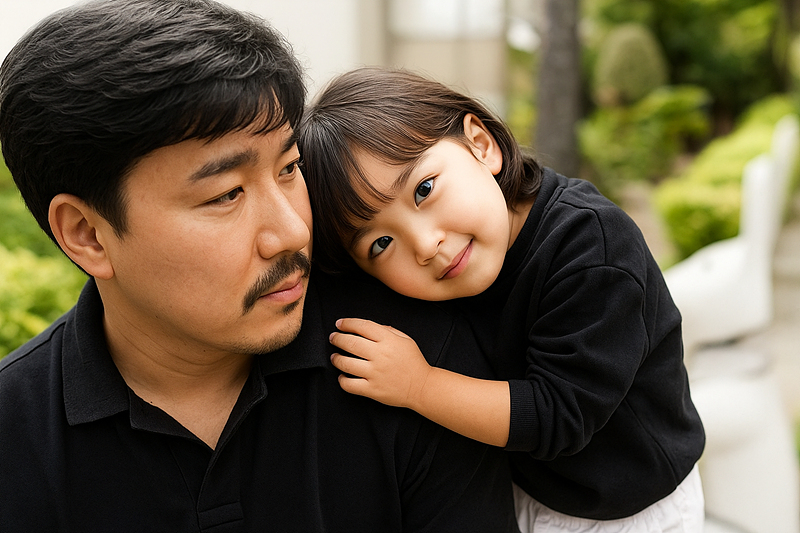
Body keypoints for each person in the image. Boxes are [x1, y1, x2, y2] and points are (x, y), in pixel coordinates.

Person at [0, 3, 521, 531]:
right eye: (227, 194)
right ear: (87, 234)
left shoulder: (415, 361)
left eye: (290, 167)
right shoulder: (15, 438)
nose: (293, 232)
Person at [298, 67, 706, 532]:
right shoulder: (452, 269)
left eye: (424, 190)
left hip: (630, 505)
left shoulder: (591, 248)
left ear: (481, 144)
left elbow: (558, 416)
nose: (426, 245)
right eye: (380, 244)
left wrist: (419, 386)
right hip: (531, 489)